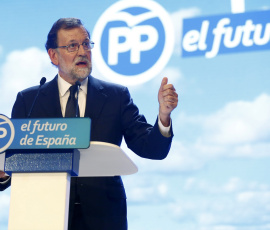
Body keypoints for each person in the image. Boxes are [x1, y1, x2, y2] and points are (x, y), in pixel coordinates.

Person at [0, 18, 178, 229]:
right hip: (44, 214)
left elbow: (150, 148)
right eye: (72, 46)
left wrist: (164, 116)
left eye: (86, 44)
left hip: (104, 217)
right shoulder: (29, 101)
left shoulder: (115, 96)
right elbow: (11, 169)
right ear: (53, 55)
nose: (82, 51)